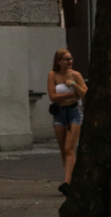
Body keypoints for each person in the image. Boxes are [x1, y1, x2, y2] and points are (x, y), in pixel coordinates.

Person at [47, 48, 87, 195]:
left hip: (74, 112)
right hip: (59, 114)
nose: (70, 62)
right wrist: (72, 94)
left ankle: (68, 182)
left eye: (71, 59)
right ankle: (69, 179)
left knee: (70, 148)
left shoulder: (76, 75)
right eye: (66, 59)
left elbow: (85, 93)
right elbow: (53, 96)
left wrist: (74, 84)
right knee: (63, 149)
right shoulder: (53, 75)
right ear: (59, 62)